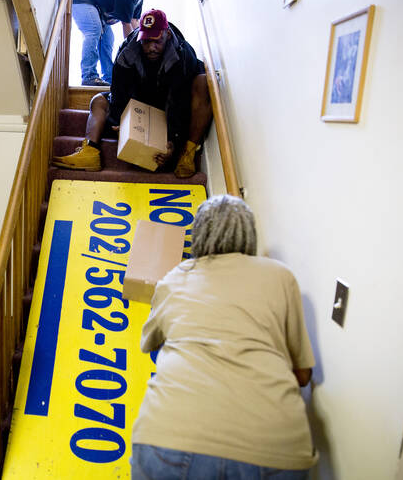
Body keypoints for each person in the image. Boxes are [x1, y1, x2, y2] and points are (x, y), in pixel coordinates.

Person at [130, 195, 318, 479]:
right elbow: (303, 375)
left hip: (170, 439)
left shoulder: (176, 277)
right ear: (250, 235)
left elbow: (149, 343)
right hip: (275, 449)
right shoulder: (281, 276)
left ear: (198, 237)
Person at [54, 8, 212, 178]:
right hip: (141, 106)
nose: (151, 47)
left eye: (157, 41)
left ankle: (187, 154)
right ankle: (90, 151)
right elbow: (118, 93)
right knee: (98, 101)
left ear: (167, 34)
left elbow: (179, 104)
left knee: (202, 82)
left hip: (172, 110)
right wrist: (123, 123)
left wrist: (173, 142)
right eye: (146, 41)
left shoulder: (184, 54)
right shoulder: (127, 51)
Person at [72, 0, 167, 86]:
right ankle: (89, 76)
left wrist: (141, 46)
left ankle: (109, 79)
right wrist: (133, 52)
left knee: (108, 40)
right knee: (94, 29)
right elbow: (126, 24)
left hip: (99, 9)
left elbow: (134, 22)